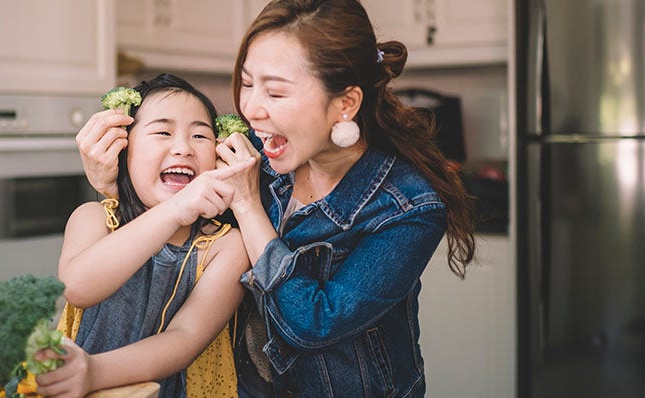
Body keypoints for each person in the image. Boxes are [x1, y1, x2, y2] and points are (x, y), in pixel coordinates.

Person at [79, 1, 476, 396]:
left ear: (345, 104)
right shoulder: (256, 151)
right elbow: (179, 224)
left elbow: (313, 324)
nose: (250, 108)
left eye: (275, 92)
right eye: (247, 83)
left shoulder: (408, 207)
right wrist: (113, 186)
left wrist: (249, 206)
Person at [35, 73, 253, 398]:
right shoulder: (94, 218)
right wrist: (176, 208)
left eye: (200, 136)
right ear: (124, 151)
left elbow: (186, 337)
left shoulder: (227, 246)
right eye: (163, 132)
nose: (183, 148)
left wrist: (94, 373)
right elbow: (77, 287)